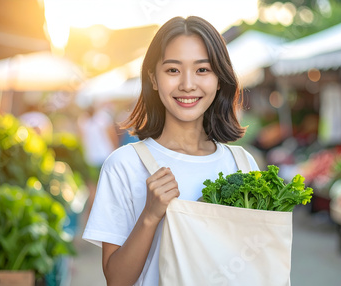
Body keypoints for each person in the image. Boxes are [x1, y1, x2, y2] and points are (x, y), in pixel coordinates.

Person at [82, 16, 259, 286]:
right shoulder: (124, 165)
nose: (187, 84)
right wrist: (150, 216)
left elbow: (258, 262)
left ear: (220, 79)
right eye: (173, 70)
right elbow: (117, 280)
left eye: (202, 70)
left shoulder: (243, 165)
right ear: (153, 78)